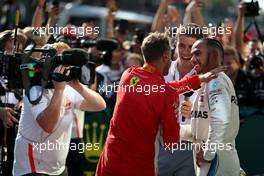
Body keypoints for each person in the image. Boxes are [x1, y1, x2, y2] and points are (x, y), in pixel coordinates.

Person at [96, 32, 225, 176]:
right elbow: (171, 141)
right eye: (170, 55)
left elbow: (165, 89)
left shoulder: (129, 74)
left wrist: (199, 79)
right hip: (138, 167)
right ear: (165, 56)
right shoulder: (165, 94)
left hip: (109, 162)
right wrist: (197, 132)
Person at [13, 49, 106, 176]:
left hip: (58, 167)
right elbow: (47, 126)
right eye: (62, 66)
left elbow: (99, 105)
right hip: (33, 167)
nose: (65, 70)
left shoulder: (67, 87)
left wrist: (76, 85)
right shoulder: (35, 89)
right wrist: (59, 91)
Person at [190, 38, 240, 175]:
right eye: (192, 55)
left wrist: (208, 153)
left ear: (214, 56)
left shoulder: (216, 81)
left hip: (216, 161)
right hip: (217, 158)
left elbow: (221, 118)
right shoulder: (211, 81)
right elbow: (203, 124)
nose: (192, 59)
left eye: (197, 54)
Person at [159, 23, 203, 176]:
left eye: (191, 47)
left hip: (191, 149)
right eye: (181, 45)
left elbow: (217, 118)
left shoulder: (207, 78)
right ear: (174, 45)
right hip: (160, 145)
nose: (186, 52)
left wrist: (195, 113)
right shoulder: (160, 72)